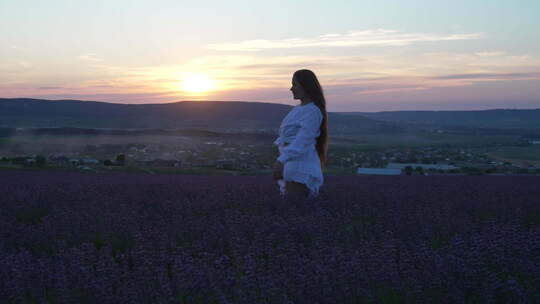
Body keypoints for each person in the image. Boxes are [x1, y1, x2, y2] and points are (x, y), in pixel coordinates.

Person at [272, 69, 329, 199]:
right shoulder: (298, 109)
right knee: (291, 209)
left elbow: (303, 140)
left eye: (295, 84)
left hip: (300, 165)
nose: (291, 88)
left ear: (306, 86)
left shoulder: (313, 111)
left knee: (294, 209)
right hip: (290, 163)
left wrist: (281, 161)